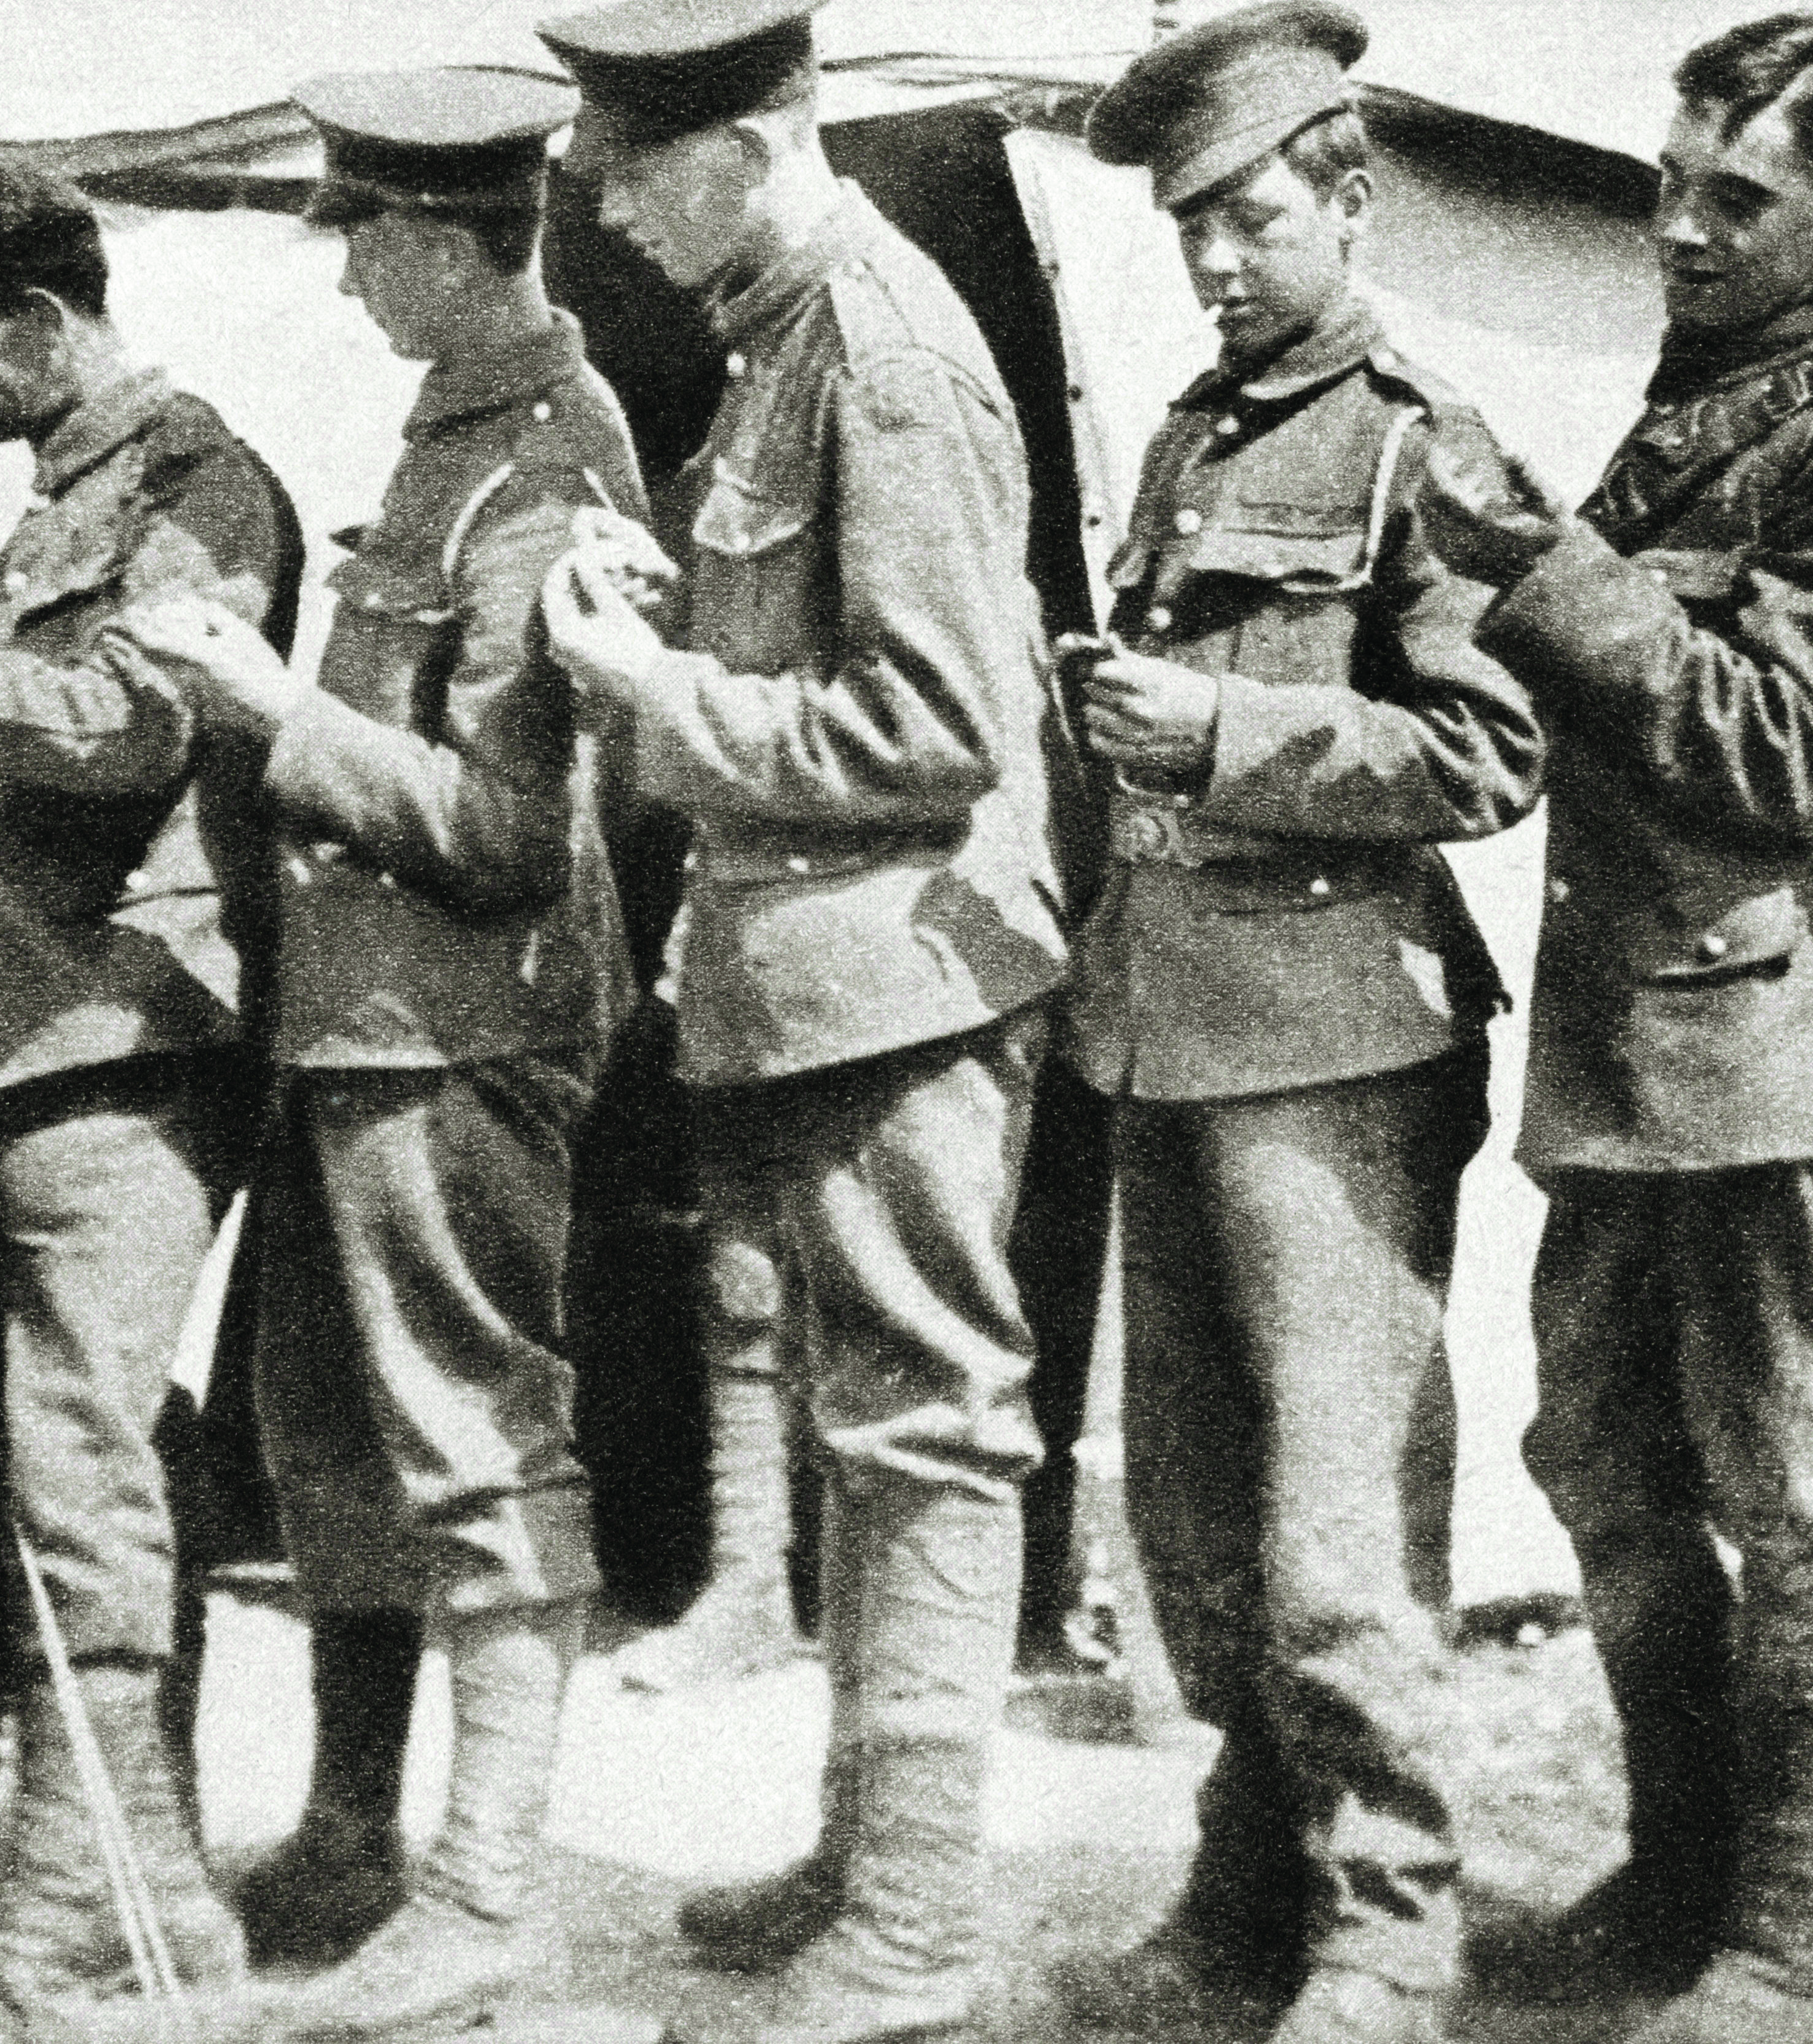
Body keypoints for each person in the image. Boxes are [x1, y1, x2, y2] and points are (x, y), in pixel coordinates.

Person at [1416, 14, 1813, 2039]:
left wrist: (1545, 571)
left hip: (1764, 1053)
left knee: (1803, 1497)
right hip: (1631, 1054)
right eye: (1665, 184)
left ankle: (1792, 1948)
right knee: (1605, 1465)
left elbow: (1787, 750)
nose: (1673, 228)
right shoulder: (1692, 410)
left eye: (1730, 198)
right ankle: (1680, 1883)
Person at [534, 0, 1070, 2035]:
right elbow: (818, 642)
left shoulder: (885, 351)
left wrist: (647, 701)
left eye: (629, 170)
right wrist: (657, 611)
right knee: (866, 1435)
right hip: (816, 985)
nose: (600, 203)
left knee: (922, 1435)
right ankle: (868, 1857)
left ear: (745, 152)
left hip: (901, 987)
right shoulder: (787, 338)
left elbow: (931, 726)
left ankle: (921, 1921)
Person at [1054, 7, 1544, 2039]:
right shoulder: (1188, 434)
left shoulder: (1417, 439)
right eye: (1186, 232)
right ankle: (1245, 1880)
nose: (1211, 265)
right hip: (1163, 1023)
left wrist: (1228, 728)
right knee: (1191, 1511)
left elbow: (1487, 746)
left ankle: (1390, 1930)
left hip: (1337, 1039)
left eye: (1247, 222)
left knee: (1341, 1531)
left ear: (1350, 199)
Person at [148, 63, 639, 2030]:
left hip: (455, 1041)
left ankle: (486, 1889)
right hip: (356, 1042)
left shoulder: (549, 473)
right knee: (334, 1443)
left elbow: (514, 832)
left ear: (447, 239)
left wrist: (271, 708)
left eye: (362, 234)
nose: (344, 272)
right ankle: (356, 1831)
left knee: (473, 1446)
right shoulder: (454, 446)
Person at [0, 160, 304, 2030]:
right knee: (65, 1479)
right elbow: (29, 834)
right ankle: (163, 1905)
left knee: (78, 1488)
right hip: (44, 1043)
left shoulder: (193, 485)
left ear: (39, 319)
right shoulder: (74, 497)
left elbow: (131, 731)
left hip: (131, 1052)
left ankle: (50, 1934)